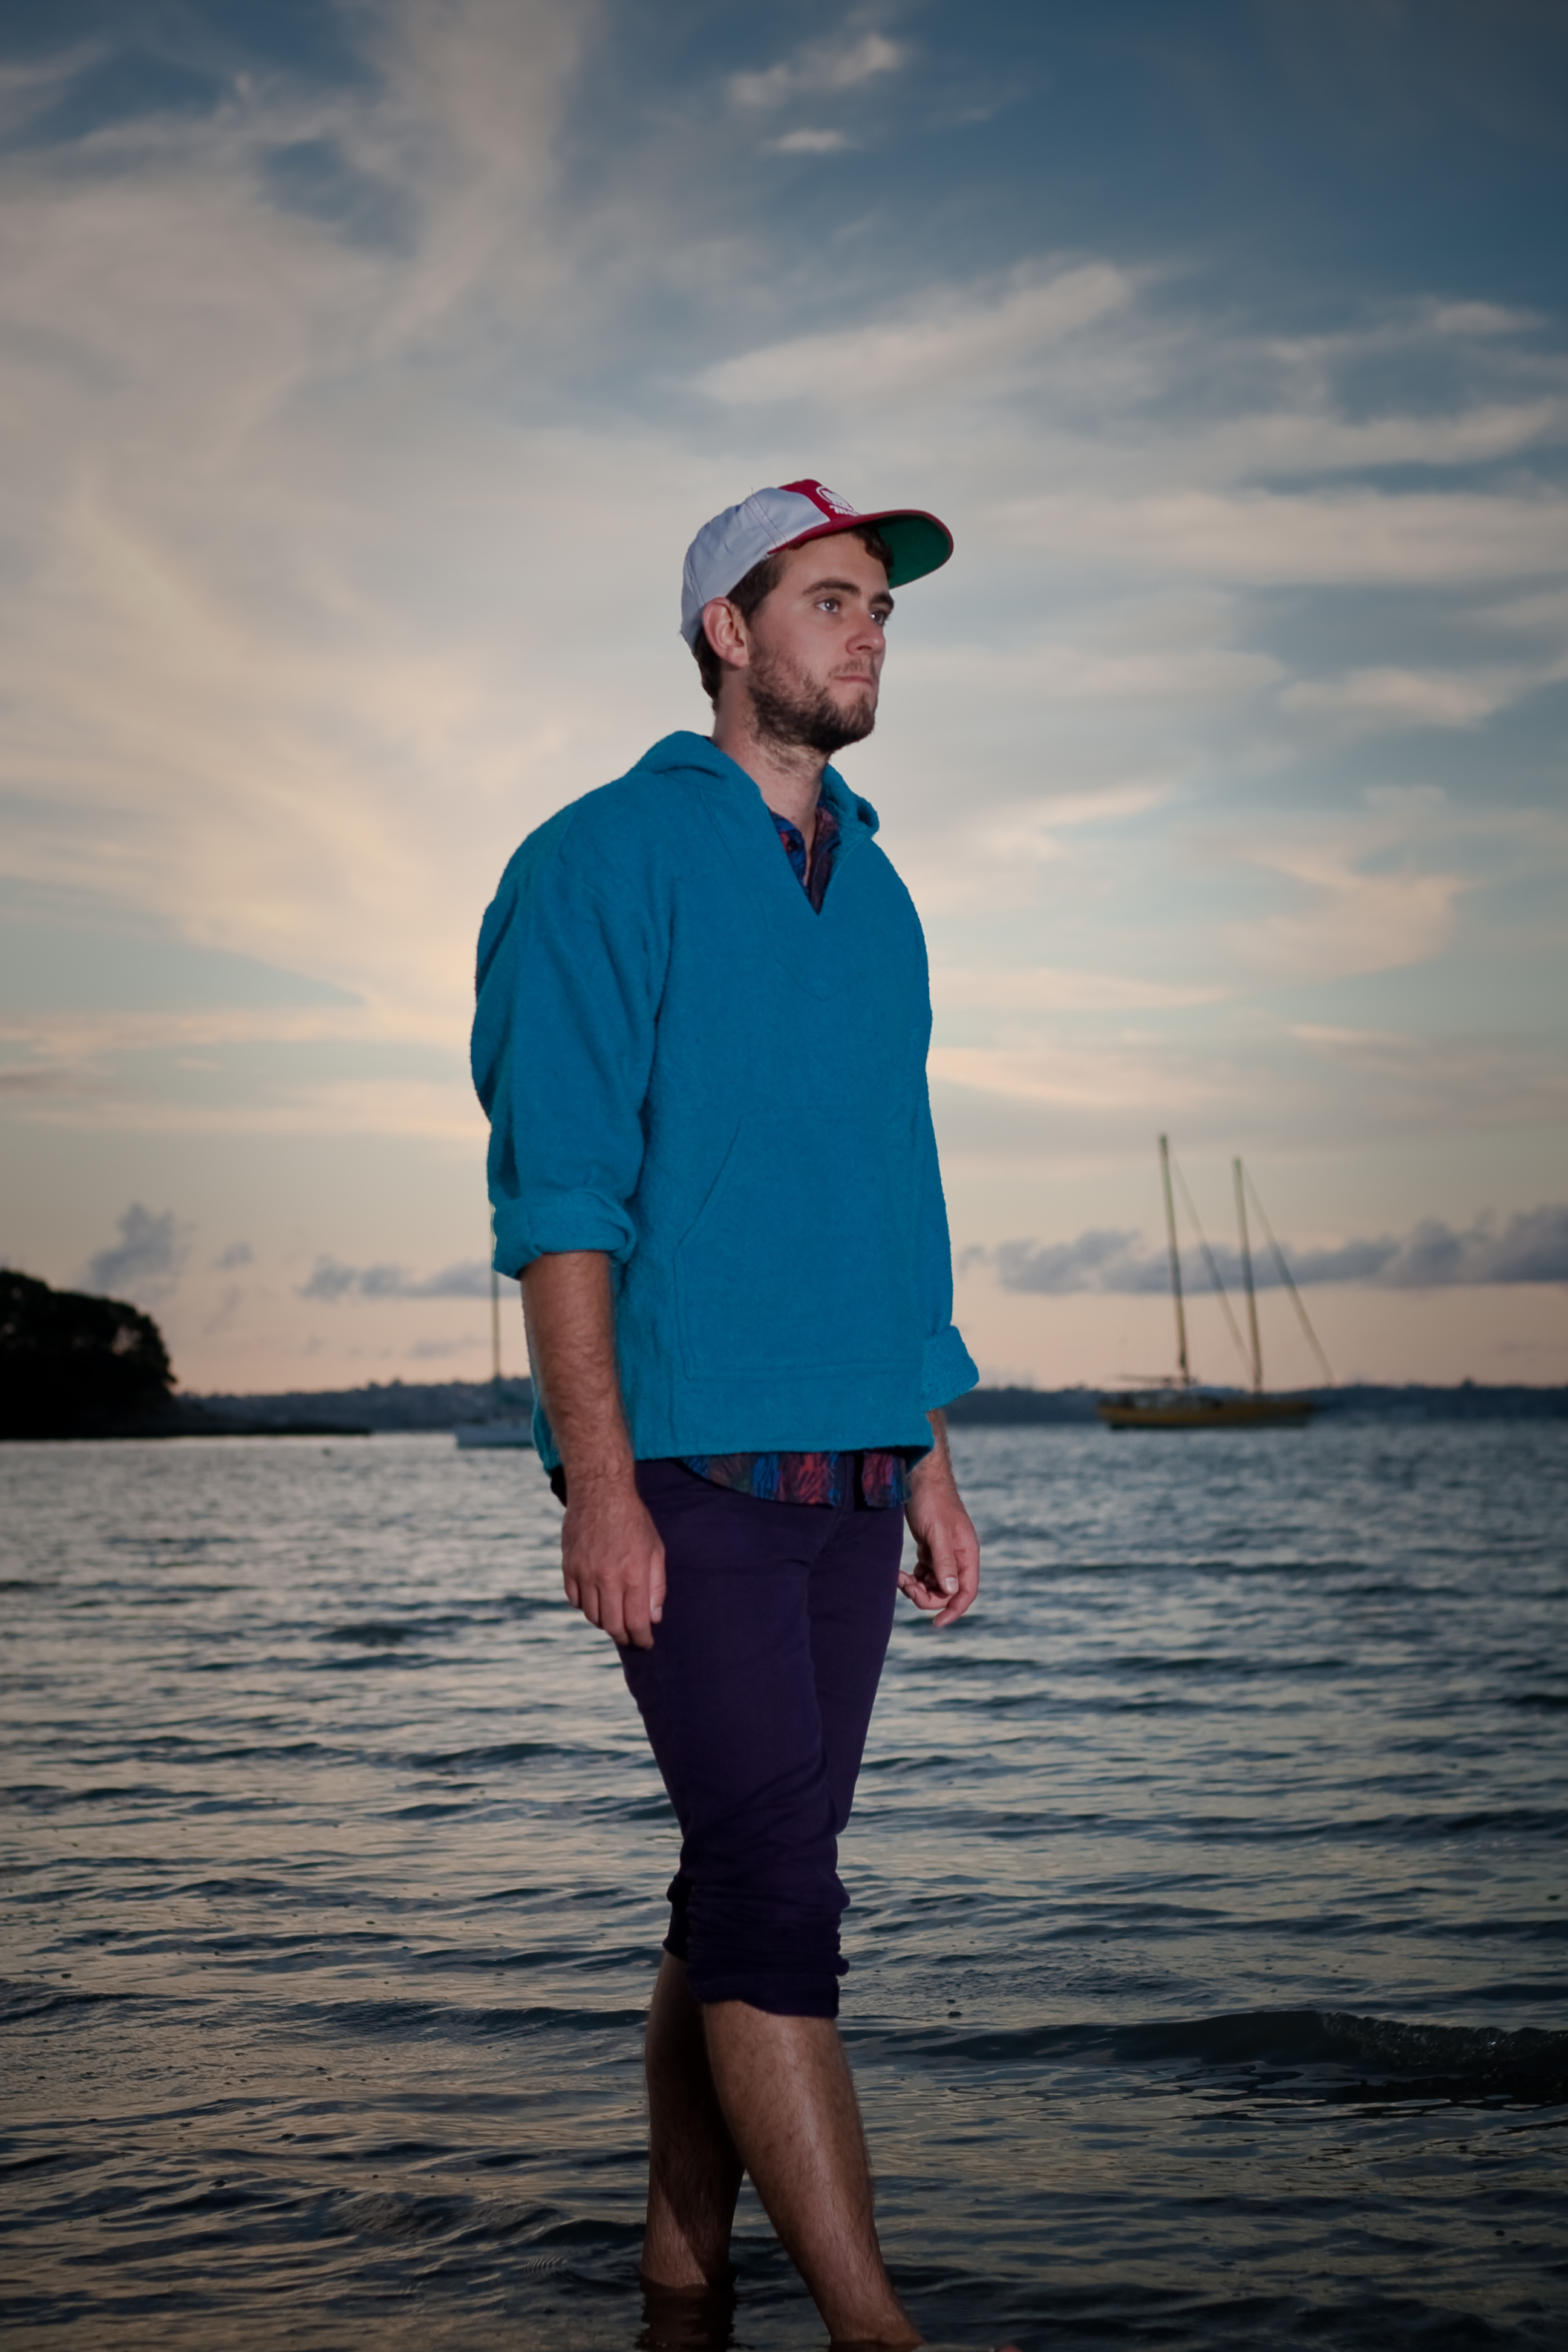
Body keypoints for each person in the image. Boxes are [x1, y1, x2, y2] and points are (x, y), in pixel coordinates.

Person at [471, 479, 982, 2348]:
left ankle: (682, 2277)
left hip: (856, 1458)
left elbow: (896, 1187)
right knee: (776, 1897)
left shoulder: (884, 892)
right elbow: (561, 1197)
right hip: (688, 1463)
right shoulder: (596, 860)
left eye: (882, 608)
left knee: (744, 1887)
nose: (869, 632)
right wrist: (598, 1484)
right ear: (727, 630)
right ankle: (875, 2332)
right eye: (832, 599)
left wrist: (930, 1451)